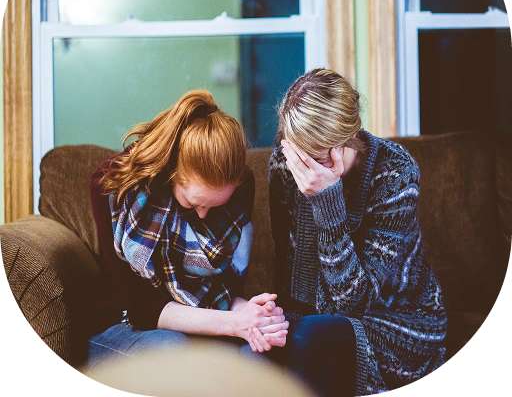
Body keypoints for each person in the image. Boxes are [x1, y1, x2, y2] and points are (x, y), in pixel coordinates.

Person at [268, 69, 447, 396]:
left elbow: (354, 304)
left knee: (311, 336)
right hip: (315, 319)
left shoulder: (394, 172)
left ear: (344, 141)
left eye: (314, 157)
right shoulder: (285, 163)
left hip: (399, 322)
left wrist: (327, 201)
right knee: (265, 345)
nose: (301, 166)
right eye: (296, 152)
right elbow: (289, 270)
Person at [88, 90, 288, 368]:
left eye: (215, 206)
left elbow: (224, 291)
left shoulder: (241, 187)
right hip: (125, 326)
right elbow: (141, 309)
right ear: (172, 173)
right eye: (193, 203)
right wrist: (234, 324)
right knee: (174, 349)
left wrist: (255, 316)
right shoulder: (115, 187)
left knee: (258, 354)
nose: (203, 215)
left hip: (201, 322)